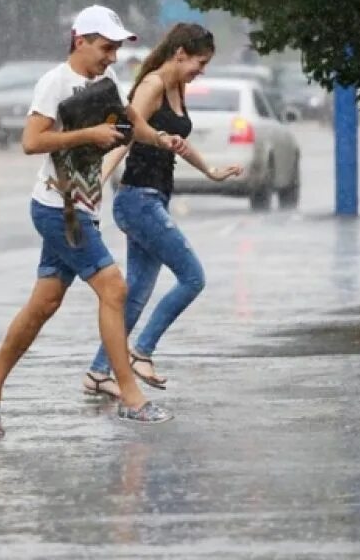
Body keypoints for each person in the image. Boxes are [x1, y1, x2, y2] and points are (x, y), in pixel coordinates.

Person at [0, 4, 179, 434]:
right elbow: (31, 141)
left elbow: (128, 119)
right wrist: (89, 135)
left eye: (116, 49)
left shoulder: (105, 80)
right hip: (54, 208)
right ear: (79, 40)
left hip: (82, 206)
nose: (111, 57)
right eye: (105, 48)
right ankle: (129, 397)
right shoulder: (54, 83)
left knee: (44, 303)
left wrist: (158, 137)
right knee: (114, 288)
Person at [84, 23, 242, 397]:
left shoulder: (176, 86)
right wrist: (95, 186)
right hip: (137, 200)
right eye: (198, 63)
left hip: (154, 198)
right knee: (192, 277)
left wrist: (211, 172)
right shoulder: (153, 86)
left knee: (136, 293)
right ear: (180, 53)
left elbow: (176, 143)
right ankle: (142, 351)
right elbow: (124, 134)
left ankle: (98, 372)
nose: (200, 71)